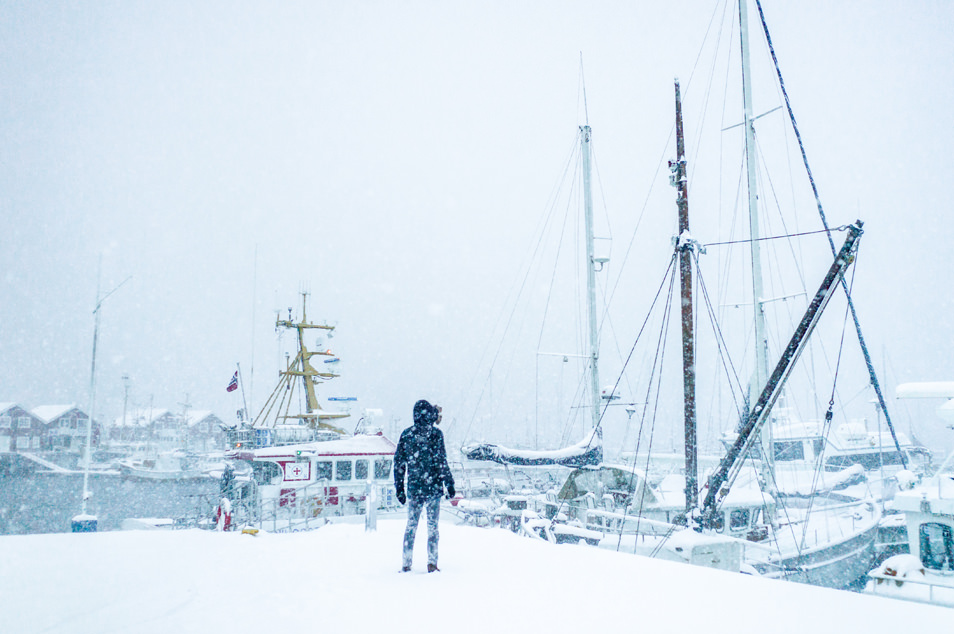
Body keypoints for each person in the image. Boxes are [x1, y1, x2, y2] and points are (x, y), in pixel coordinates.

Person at [393, 399, 455, 572]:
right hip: (433, 488)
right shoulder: (436, 435)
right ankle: (432, 564)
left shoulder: (407, 434)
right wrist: (449, 483)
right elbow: (441, 461)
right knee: (433, 528)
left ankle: (406, 564)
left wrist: (399, 488)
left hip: (414, 488)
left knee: (411, 527)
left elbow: (399, 464)